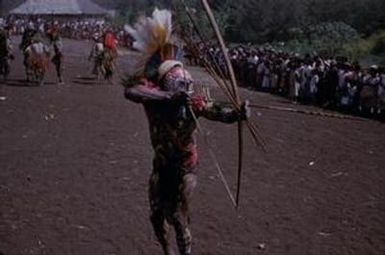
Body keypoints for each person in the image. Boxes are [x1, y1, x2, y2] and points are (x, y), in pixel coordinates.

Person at [124, 9, 250, 255]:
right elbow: (131, 91)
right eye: (177, 84)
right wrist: (168, 96)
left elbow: (217, 111)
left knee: (178, 217)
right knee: (156, 216)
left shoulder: (193, 103)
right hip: (161, 165)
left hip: (185, 168)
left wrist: (238, 114)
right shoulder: (154, 99)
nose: (184, 87)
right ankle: (168, 251)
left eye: (185, 84)